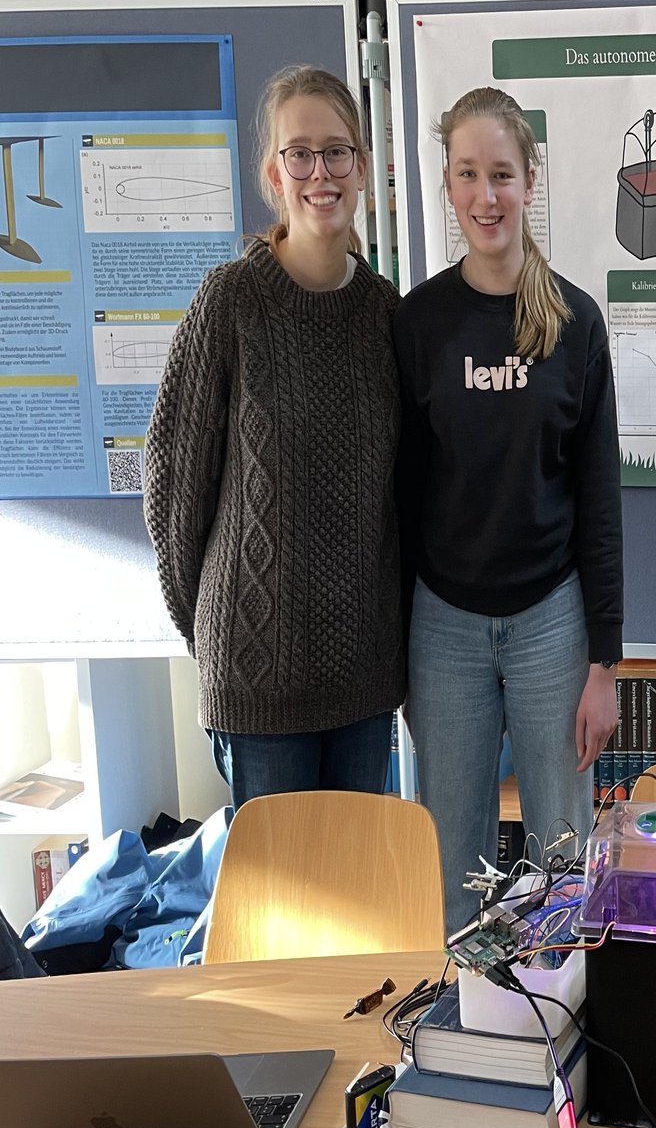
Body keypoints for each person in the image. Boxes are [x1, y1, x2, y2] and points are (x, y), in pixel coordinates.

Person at [394, 86, 622, 935]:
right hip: (444, 626)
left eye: (500, 174)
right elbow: (401, 496)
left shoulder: (576, 323)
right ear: (448, 185)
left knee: (563, 867)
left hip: (551, 623)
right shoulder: (417, 323)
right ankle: (466, 1013)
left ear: (531, 179)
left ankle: (563, 1010)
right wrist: (399, 654)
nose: (485, 196)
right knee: (456, 868)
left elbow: (600, 500)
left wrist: (604, 666)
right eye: (466, 175)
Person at [144, 66, 404, 810]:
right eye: (300, 154)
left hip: (363, 686)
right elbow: (173, 494)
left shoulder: (387, 316)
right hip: (256, 687)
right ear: (273, 174)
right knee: (279, 886)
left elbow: (402, 503)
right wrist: (217, 638)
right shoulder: (231, 302)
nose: (320, 172)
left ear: (362, 168)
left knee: (356, 882)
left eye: (337, 152)